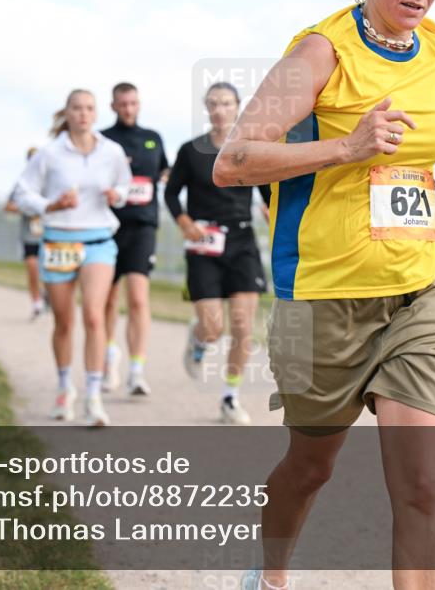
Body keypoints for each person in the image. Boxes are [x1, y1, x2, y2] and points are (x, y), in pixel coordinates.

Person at [212, 0, 435, 588]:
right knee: (311, 466)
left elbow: (424, 140)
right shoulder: (322, 51)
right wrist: (347, 148)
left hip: (424, 288)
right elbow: (235, 161)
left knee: (421, 484)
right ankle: (271, 569)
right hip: (324, 299)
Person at [14, 89, 131, 427]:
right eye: (77, 108)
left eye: (89, 108)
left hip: (99, 241)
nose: (83, 114)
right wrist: (51, 205)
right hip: (59, 242)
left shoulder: (112, 151)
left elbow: (124, 187)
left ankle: (93, 396)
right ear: (67, 113)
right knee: (64, 322)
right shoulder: (50, 153)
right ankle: (66, 388)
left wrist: (116, 195)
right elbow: (21, 193)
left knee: (94, 316)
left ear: (96, 113)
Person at [164, 81, 270, 426]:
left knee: (242, 326)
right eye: (213, 104)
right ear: (206, 108)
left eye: (226, 103)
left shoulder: (250, 148)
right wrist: (184, 221)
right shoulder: (190, 151)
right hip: (203, 242)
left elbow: (269, 191)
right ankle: (198, 340)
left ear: (237, 107)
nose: (219, 109)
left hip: (241, 242)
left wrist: (273, 211)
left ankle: (230, 397)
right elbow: (171, 193)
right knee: (213, 327)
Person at [100, 82, 169, 396]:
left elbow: (164, 173)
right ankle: (109, 355)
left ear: (139, 104)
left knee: (139, 297)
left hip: (143, 226)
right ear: (113, 106)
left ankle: (137, 370)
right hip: (109, 226)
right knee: (108, 299)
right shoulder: (104, 140)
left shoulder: (153, 139)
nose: (129, 109)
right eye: (123, 104)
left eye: (133, 103)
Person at [4, 147, 46, 320]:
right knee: (32, 267)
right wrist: (26, 209)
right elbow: (8, 206)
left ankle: (49, 295)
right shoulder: (22, 183)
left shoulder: (51, 179)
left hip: (49, 232)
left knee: (51, 271)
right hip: (30, 234)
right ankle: (36, 301)